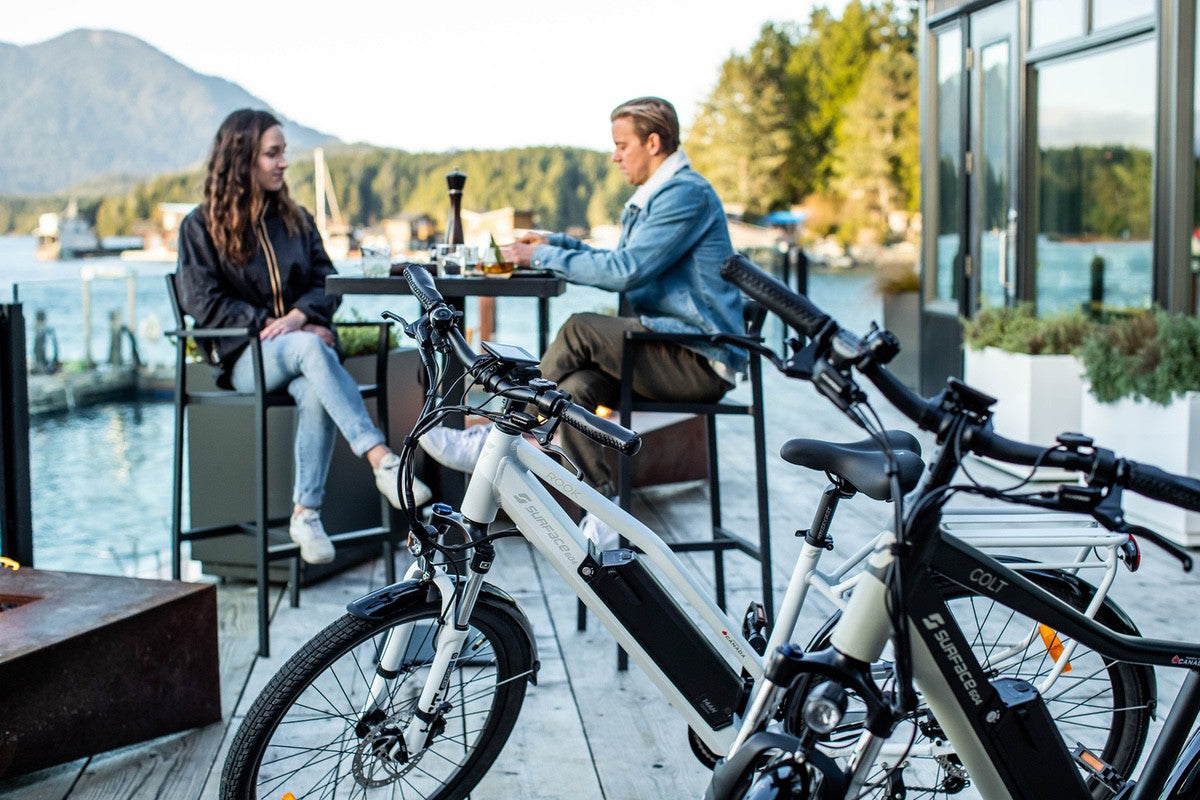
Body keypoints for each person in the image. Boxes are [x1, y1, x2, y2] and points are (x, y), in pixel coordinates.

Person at [421, 96, 744, 547]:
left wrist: (542, 255)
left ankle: (501, 431)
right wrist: (556, 243)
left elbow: (625, 271)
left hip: (698, 358)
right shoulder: (656, 198)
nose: (614, 156)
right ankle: (603, 511)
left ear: (653, 143)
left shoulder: (685, 194)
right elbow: (615, 260)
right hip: (662, 349)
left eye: (621, 145)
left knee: (580, 329)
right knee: (575, 390)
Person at [177, 108, 430, 565]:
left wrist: (299, 316)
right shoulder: (199, 226)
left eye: (283, 153)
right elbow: (203, 303)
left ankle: (306, 514)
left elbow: (326, 283)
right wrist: (278, 325)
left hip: (298, 353)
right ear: (243, 159)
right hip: (244, 361)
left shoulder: (296, 219)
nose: (283, 163)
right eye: (273, 154)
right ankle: (381, 461)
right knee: (309, 346)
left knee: (315, 386)